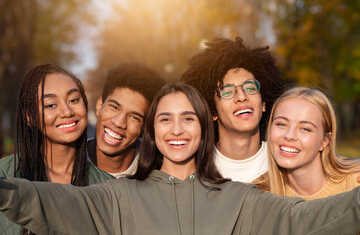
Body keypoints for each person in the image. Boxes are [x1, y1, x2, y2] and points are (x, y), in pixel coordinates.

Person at [0, 83, 360, 235]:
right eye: (164, 119)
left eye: (188, 118)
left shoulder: (241, 200)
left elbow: (310, 219)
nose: (177, 130)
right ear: (152, 133)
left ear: (203, 128)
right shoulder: (117, 197)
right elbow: (46, 201)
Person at [0, 63, 110, 234]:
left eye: (73, 100)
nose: (66, 111)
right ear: (30, 117)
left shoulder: (108, 187)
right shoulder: (4, 174)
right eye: (51, 105)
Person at [181, 36, 285, 182]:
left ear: (264, 103)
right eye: (227, 91)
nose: (241, 96)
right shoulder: (194, 167)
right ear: (212, 111)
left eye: (250, 87)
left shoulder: (284, 161)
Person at [254, 86, 360, 199]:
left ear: (324, 141)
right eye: (281, 124)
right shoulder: (259, 196)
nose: (289, 136)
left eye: (305, 129)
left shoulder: (354, 184)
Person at [87, 63, 166, 178]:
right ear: (99, 106)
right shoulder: (68, 161)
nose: (119, 122)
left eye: (134, 117)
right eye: (114, 107)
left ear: (144, 127)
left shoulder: (158, 171)